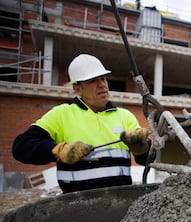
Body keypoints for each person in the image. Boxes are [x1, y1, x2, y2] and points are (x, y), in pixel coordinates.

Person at [12, 54, 150, 193]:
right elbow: (21, 146)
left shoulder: (125, 116)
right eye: (92, 81)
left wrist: (142, 149)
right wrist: (58, 150)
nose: (102, 84)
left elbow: (149, 159)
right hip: (76, 207)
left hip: (119, 203)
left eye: (103, 78)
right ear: (77, 89)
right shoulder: (62, 115)